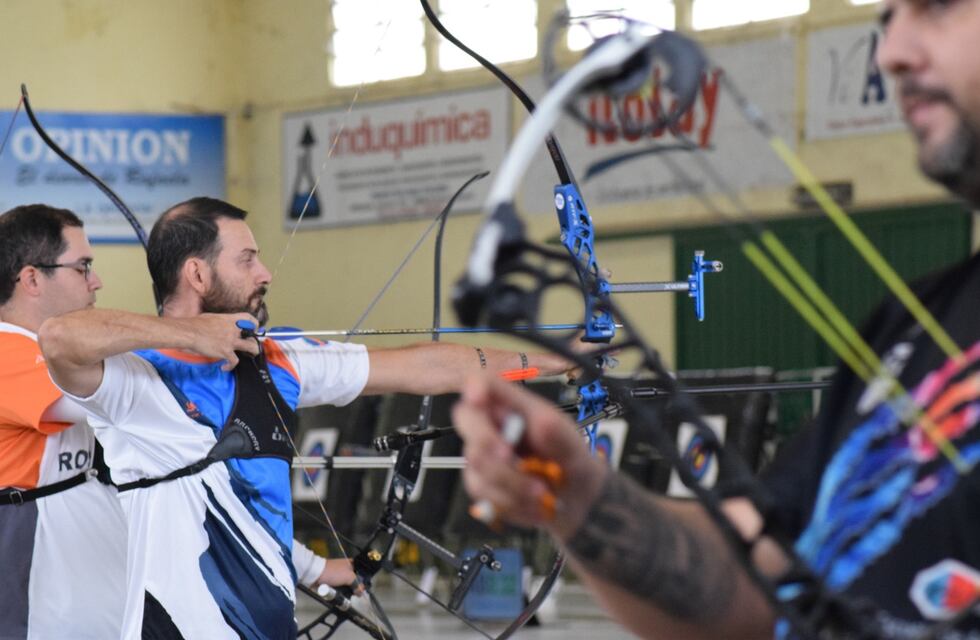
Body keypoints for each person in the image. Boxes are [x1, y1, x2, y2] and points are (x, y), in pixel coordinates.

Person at [451, 2, 980, 639]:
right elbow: (751, 576)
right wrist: (577, 494)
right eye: (888, 15)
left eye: (937, 5)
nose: (890, 49)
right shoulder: (910, 330)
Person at [37, 196, 571, 639]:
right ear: (197, 273)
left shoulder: (278, 360)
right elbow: (59, 338)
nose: (264, 272)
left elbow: (425, 367)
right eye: (246, 259)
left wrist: (547, 361)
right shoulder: (137, 381)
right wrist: (193, 335)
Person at [0, 204, 126, 639]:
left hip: (90, 588)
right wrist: (188, 335)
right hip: (42, 595)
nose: (97, 281)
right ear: (32, 278)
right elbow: (100, 395)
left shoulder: (53, 355)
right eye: (83, 267)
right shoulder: (6, 350)